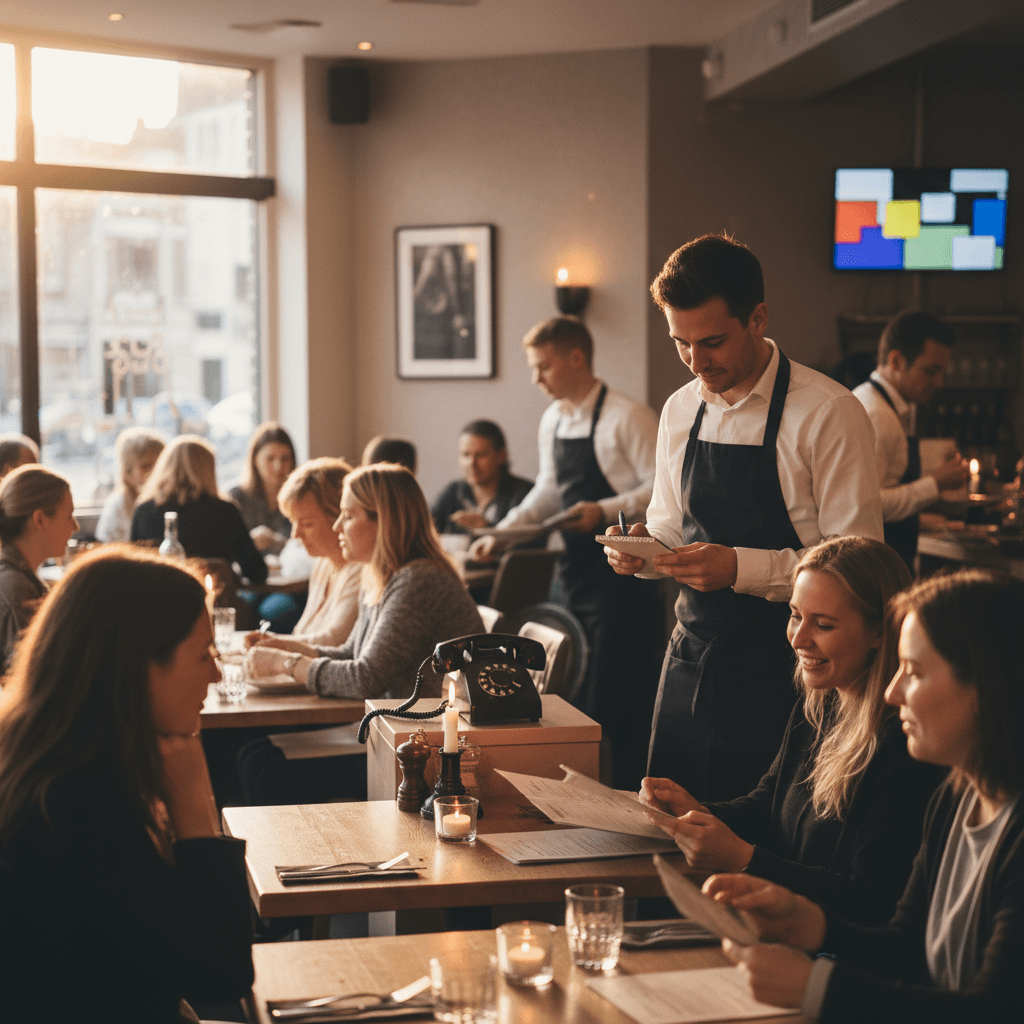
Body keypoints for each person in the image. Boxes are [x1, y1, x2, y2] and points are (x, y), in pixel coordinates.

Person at [607, 234, 883, 802]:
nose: (695, 362)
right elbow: (670, 527)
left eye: (711, 342)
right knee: (668, 834)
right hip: (689, 656)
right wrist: (642, 552)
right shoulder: (680, 409)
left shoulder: (829, 412)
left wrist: (739, 568)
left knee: (757, 849)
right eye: (680, 343)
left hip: (789, 670)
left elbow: (859, 564)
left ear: (757, 318)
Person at [706, 569, 1024, 1022]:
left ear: (986, 687)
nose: (894, 692)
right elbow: (906, 951)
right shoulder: (954, 799)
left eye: (913, 672)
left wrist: (815, 987)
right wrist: (808, 922)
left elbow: (994, 1012)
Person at [0, 547, 253, 1022]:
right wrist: (194, 810)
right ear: (137, 668)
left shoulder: (45, 761)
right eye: (203, 655)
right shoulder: (78, 803)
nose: (216, 673)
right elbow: (220, 974)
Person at [640, 536, 945, 925]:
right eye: (796, 616)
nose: (799, 639)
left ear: (880, 633)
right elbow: (768, 806)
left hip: (830, 959)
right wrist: (695, 812)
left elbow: (869, 903)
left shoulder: (905, 743)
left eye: (823, 624)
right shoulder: (822, 701)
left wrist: (742, 859)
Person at [470, 316, 662, 790]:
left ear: (577, 359)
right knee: (571, 693)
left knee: (617, 697)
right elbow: (548, 491)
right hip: (575, 572)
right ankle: (575, 800)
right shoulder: (554, 418)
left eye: (543, 367)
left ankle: (633, 798)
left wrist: (603, 509)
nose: (536, 379)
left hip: (624, 576)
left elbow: (663, 488)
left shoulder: (627, 416)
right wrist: (504, 532)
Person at [239, 463, 484, 804]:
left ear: (385, 522)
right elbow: (352, 652)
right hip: (394, 731)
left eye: (349, 516)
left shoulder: (418, 581)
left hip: (420, 748)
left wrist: (289, 662)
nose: (338, 526)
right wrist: (282, 650)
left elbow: (365, 677)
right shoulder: (385, 576)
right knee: (254, 757)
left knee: (265, 769)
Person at [852, 310, 969, 570]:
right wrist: (935, 484)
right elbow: (869, 504)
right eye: (930, 371)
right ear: (896, 361)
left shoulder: (879, 402)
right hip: (877, 565)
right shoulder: (878, 415)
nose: (939, 383)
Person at [244, 457, 362, 648]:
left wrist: (275, 644)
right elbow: (302, 631)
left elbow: (334, 640)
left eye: (306, 524)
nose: (295, 534)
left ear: (339, 517)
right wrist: (270, 641)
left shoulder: (359, 570)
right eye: (293, 522)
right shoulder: (323, 563)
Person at [131, 435, 267, 584]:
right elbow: (256, 572)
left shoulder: (143, 511)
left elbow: (132, 569)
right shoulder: (225, 512)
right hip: (214, 602)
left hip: (156, 604)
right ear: (208, 470)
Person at [0, 465, 76, 675]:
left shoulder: (22, 578)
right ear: (39, 519)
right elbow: (29, 682)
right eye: (69, 515)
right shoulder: (16, 593)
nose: (75, 527)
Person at [431, 419, 533, 535]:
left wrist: (488, 528)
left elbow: (534, 541)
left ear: (501, 455)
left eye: (480, 455)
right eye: (466, 455)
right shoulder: (453, 491)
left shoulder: (525, 494)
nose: (471, 463)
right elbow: (424, 527)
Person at [228, 421, 297, 554]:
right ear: (255, 461)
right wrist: (247, 542)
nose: (278, 467)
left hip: (293, 574)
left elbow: (306, 548)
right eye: (270, 459)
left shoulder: (300, 499)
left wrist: (273, 541)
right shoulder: (235, 498)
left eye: (285, 459)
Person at [96, 427, 165, 542]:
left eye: (159, 465)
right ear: (128, 473)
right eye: (146, 466)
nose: (154, 472)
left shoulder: (169, 502)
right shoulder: (116, 509)